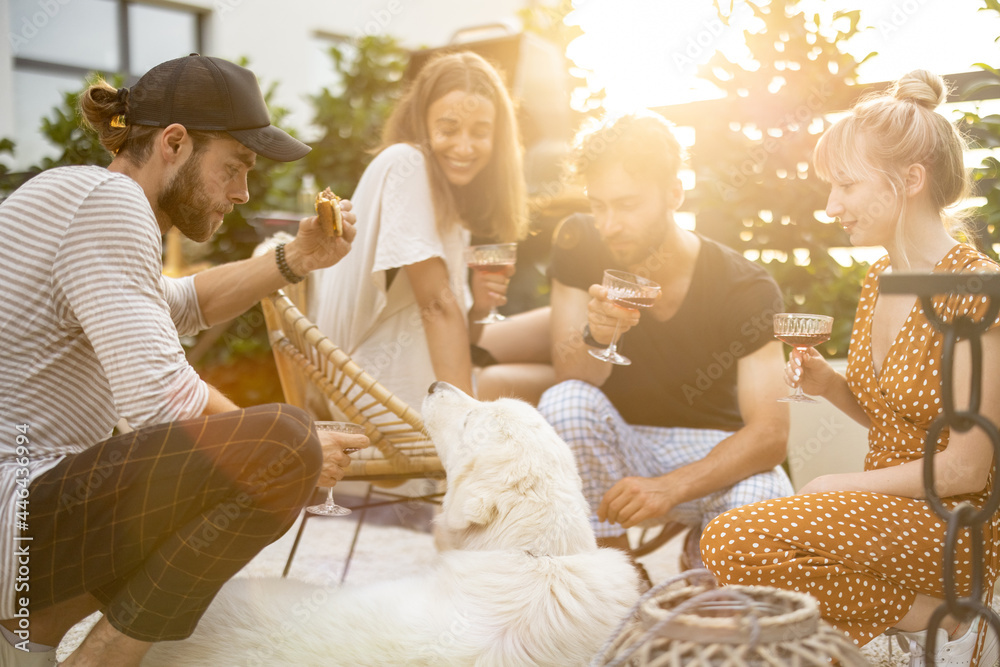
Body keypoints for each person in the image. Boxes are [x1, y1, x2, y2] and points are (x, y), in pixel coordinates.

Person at [0, 55, 367, 667]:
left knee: (263, 450)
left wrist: (297, 257)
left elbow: (187, 301)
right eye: (235, 167)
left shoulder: (79, 196)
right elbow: (160, 401)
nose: (243, 192)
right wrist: (293, 452)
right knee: (281, 443)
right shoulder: (109, 202)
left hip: (23, 524)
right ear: (174, 143)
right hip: (17, 518)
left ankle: (24, 638)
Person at [701, 70, 1000, 667]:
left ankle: (963, 622)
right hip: (886, 517)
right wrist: (831, 387)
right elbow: (898, 420)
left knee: (733, 540)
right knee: (741, 554)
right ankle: (927, 631)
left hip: (955, 526)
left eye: (846, 186)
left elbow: (967, 465)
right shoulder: (878, 281)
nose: (832, 206)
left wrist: (837, 484)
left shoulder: (976, 287)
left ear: (910, 180)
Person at [537, 112, 793, 574]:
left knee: (766, 499)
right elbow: (574, 378)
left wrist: (670, 487)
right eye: (598, 205)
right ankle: (615, 573)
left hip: (712, 455)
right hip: (623, 446)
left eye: (627, 204)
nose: (609, 224)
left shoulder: (745, 287)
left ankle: (706, 560)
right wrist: (599, 334)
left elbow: (770, 435)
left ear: (675, 193)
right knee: (565, 401)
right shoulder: (582, 244)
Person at [310, 51, 554, 412]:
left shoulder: (446, 198)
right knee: (558, 380)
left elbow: (451, 329)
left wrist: (479, 307)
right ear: (421, 122)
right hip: (378, 397)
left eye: (480, 132)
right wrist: (466, 429)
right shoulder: (407, 164)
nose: (465, 146)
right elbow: (438, 310)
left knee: (557, 335)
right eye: (449, 128)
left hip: (399, 383)